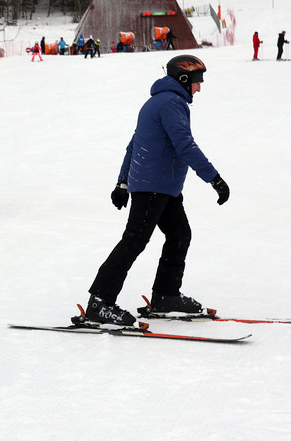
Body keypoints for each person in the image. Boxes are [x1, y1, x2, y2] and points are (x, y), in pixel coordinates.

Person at [84, 54, 230, 326]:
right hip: (154, 186)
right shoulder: (171, 103)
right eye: (197, 81)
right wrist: (215, 179)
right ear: (183, 79)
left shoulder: (157, 102)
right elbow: (184, 146)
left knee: (179, 234)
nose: (199, 87)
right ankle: (100, 302)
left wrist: (123, 183)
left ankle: (166, 295)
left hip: (164, 187)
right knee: (135, 240)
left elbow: (133, 144)